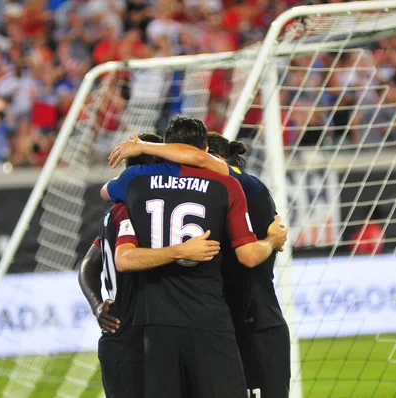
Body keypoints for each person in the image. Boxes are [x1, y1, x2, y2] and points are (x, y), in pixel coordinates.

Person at [102, 116, 288, 398]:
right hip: (218, 317)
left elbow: (120, 251)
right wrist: (272, 241)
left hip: (157, 321)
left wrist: (140, 148)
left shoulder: (135, 183)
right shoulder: (229, 185)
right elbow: (249, 256)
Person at [78, 133, 221, 398]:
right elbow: (124, 259)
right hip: (134, 336)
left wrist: (97, 305)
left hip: (119, 336)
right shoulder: (132, 210)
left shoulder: (112, 213)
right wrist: (181, 251)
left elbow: (87, 266)